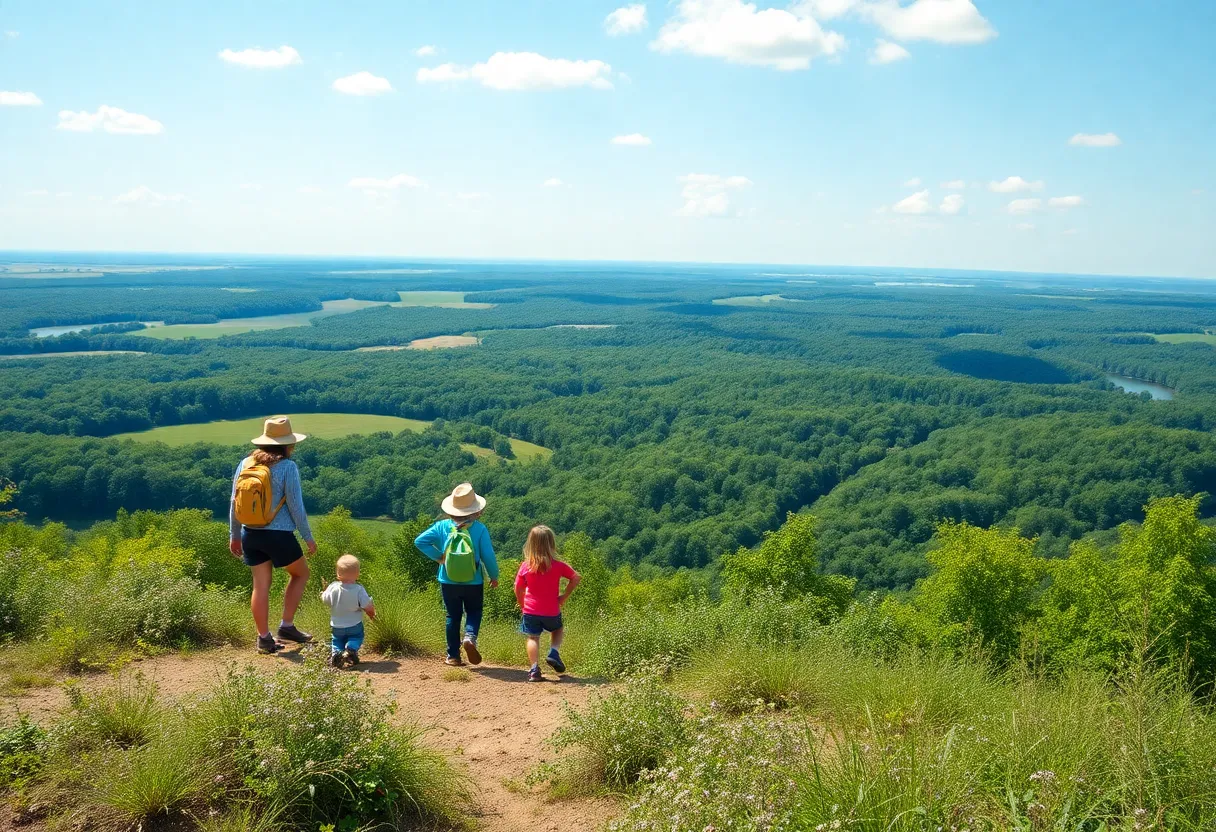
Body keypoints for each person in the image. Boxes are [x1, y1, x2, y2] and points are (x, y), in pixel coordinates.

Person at [228, 415, 317, 655]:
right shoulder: (288, 467)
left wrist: (234, 535)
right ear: (288, 445)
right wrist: (308, 537)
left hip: (250, 534)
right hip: (278, 535)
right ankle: (286, 626)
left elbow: (234, 502)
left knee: (260, 586)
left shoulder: (246, 463)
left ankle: (264, 639)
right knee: (300, 574)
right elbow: (296, 506)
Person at [414, 482, 499, 666]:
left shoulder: (442, 526)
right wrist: (494, 576)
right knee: (474, 611)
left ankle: (453, 656)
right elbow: (488, 556)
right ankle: (469, 637)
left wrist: (440, 558)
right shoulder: (479, 529)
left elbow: (420, 541)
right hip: (474, 580)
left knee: (453, 616)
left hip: (448, 579)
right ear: (476, 510)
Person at [514, 525, 580, 682]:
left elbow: (518, 588)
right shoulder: (558, 565)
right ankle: (553, 652)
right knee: (557, 629)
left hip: (530, 610)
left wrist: (522, 603)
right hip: (551, 609)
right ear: (552, 544)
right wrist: (564, 596)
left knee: (532, 638)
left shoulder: (525, 566)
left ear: (531, 544)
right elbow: (576, 577)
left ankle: (534, 670)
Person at [321, 554, 376, 669]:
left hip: (336, 626)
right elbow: (367, 606)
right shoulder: (358, 589)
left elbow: (325, 600)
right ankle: (351, 649)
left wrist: (324, 592)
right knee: (357, 637)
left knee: (336, 641)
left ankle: (336, 653)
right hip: (354, 625)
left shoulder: (333, 587)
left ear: (338, 574)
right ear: (357, 574)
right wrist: (372, 615)